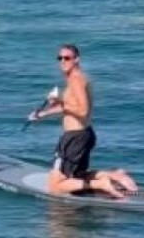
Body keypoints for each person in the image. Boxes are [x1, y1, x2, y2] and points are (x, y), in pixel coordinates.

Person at [28, 44, 138, 199]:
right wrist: (42, 113)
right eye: (60, 58)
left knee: (55, 187)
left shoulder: (76, 80)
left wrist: (60, 100)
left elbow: (82, 110)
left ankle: (101, 184)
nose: (63, 61)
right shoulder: (76, 78)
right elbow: (71, 106)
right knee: (77, 176)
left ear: (76, 60)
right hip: (83, 135)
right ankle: (114, 176)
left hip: (74, 138)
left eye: (67, 58)